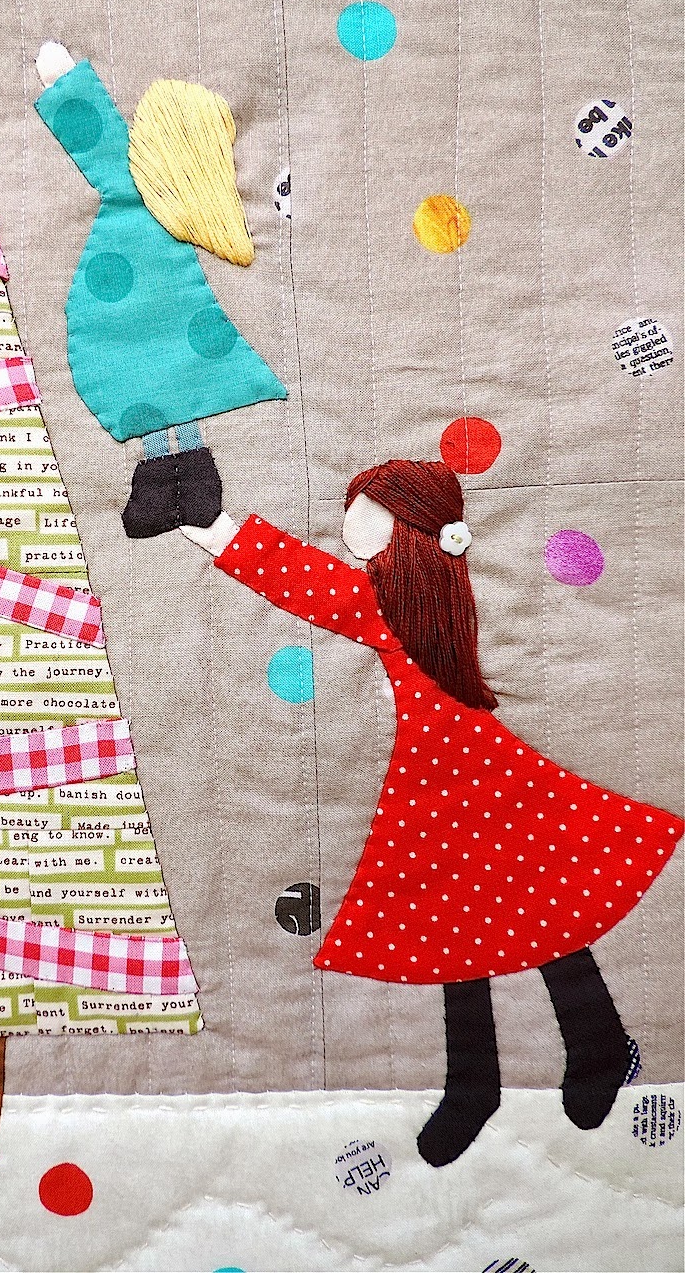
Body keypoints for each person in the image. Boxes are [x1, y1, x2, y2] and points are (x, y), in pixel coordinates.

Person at [183, 459, 683, 1165]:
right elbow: (317, 583)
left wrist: (219, 531)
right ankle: (489, 1079)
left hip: (468, 768)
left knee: (527, 896)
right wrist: (217, 530)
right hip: (441, 769)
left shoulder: (407, 601)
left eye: (369, 515)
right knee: (472, 910)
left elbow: (315, 585)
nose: (353, 529)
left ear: (409, 526)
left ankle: (583, 1049)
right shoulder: (405, 594)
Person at [35, 44, 286, 538]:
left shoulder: (153, 198)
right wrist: (67, 87)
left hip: (143, 302)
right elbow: (107, 148)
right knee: (159, 388)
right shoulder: (148, 195)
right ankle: (175, 490)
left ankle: (185, 491)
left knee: (167, 387)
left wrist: (67, 87)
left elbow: (105, 146)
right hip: (130, 303)